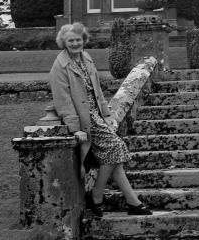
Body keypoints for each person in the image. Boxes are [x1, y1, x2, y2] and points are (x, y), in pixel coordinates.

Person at [49, 22, 152, 217]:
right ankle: (98, 195)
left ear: (83, 40)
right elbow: (62, 100)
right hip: (84, 119)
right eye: (70, 40)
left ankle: (132, 202)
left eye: (78, 39)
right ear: (63, 42)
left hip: (97, 116)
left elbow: (97, 90)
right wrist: (74, 127)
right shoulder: (59, 66)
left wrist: (106, 114)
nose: (75, 43)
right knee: (116, 147)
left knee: (115, 159)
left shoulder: (86, 58)